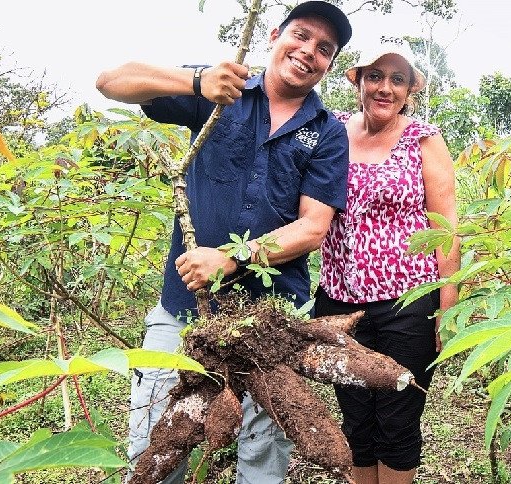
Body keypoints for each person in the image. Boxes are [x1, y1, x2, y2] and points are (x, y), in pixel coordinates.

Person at [95, 2, 352, 482]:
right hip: (186, 309)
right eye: (300, 35)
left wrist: (232, 258)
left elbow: (313, 227)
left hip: (273, 318)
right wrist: (196, 84)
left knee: (263, 450)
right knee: (157, 443)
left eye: (324, 49)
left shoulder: (328, 132)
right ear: (275, 34)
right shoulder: (221, 89)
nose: (308, 52)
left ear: (329, 64)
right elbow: (112, 80)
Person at [314, 37, 460, 484]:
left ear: (411, 89)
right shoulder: (330, 130)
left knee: (397, 419)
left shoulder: (423, 139)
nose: (385, 88)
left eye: (398, 79)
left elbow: (446, 223)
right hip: (338, 304)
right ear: (355, 80)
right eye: (375, 75)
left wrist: (447, 307)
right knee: (357, 420)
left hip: (407, 306)